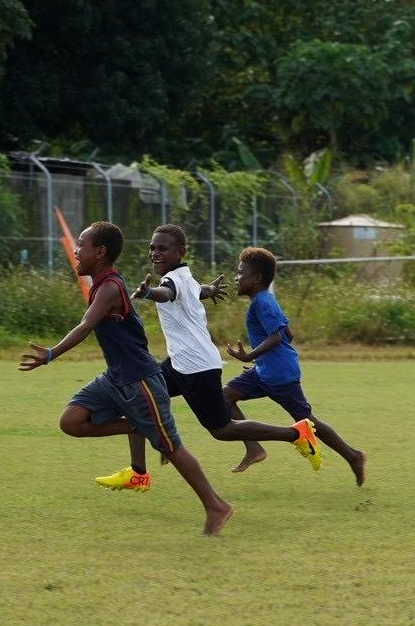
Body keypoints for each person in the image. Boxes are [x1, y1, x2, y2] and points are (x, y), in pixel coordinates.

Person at [18, 221, 233, 536]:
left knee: (171, 448)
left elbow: (86, 325)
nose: (75, 251)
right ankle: (137, 426)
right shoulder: (102, 284)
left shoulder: (110, 287)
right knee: (71, 421)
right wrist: (207, 290)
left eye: (81, 245)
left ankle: (216, 506)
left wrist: (52, 353)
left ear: (100, 252)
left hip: (140, 380)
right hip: (115, 379)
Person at [132, 224, 322, 470]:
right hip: (180, 362)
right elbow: (193, 291)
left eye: (162, 248)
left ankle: (296, 433)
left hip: (196, 367)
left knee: (222, 429)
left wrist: (149, 293)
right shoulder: (184, 276)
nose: (155, 253)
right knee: (142, 397)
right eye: (152, 248)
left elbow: (167, 293)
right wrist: (210, 290)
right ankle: (145, 464)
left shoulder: (171, 281)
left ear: (180, 252)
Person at [222, 247, 367, 484]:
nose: (236, 278)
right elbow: (288, 334)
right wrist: (263, 362)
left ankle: (354, 456)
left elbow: (277, 337)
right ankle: (254, 448)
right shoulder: (265, 300)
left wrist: (250, 357)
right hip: (266, 371)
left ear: (256, 278)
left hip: (280, 376)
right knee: (225, 397)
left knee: (308, 421)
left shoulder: (262, 303)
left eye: (240, 273)